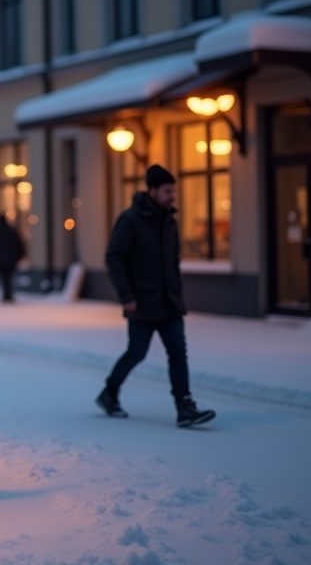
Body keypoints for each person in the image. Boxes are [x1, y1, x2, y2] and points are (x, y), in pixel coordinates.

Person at [98, 164, 215, 428]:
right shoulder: (130, 220)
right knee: (136, 353)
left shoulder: (168, 221)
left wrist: (176, 292)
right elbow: (114, 257)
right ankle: (109, 393)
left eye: (174, 191)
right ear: (151, 191)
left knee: (178, 353)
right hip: (141, 302)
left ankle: (184, 407)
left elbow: (171, 263)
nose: (172, 196)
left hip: (169, 302)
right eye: (167, 191)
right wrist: (126, 295)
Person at [0, 214, 25, 303]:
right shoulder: (12, 231)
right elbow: (20, 244)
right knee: (8, 277)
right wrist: (19, 256)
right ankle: (8, 295)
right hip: (11, 260)